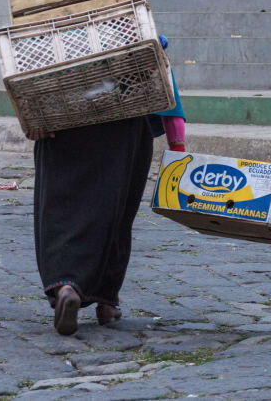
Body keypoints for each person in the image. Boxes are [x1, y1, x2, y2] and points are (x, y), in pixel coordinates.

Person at [26, 35, 186, 336]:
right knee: (115, 212)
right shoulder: (135, 30)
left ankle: (66, 286)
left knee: (58, 208)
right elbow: (168, 90)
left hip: (62, 125)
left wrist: (33, 117)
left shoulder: (57, 34)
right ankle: (106, 302)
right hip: (123, 125)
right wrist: (178, 147)